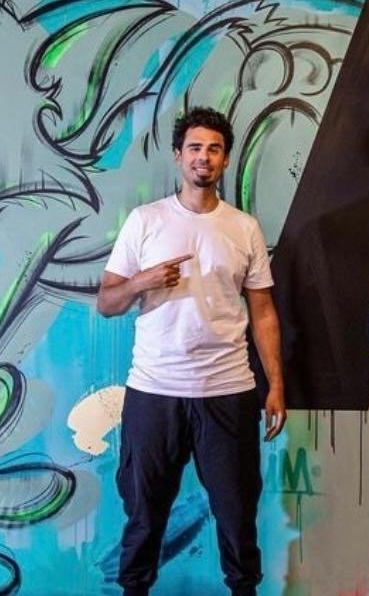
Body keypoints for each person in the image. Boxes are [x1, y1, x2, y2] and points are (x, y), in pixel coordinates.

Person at [97, 107, 286, 596]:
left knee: (237, 514)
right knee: (144, 513)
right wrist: (141, 282)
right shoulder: (146, 220)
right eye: (195, 148)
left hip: (228, 390)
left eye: (214, 149)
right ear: (178, 156)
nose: (205, 157)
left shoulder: (243, 228)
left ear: (225, 159)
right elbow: (107, 302)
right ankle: (134, 589)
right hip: (154, 391)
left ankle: (243, 589)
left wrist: (276, 385)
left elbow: (264, 313)